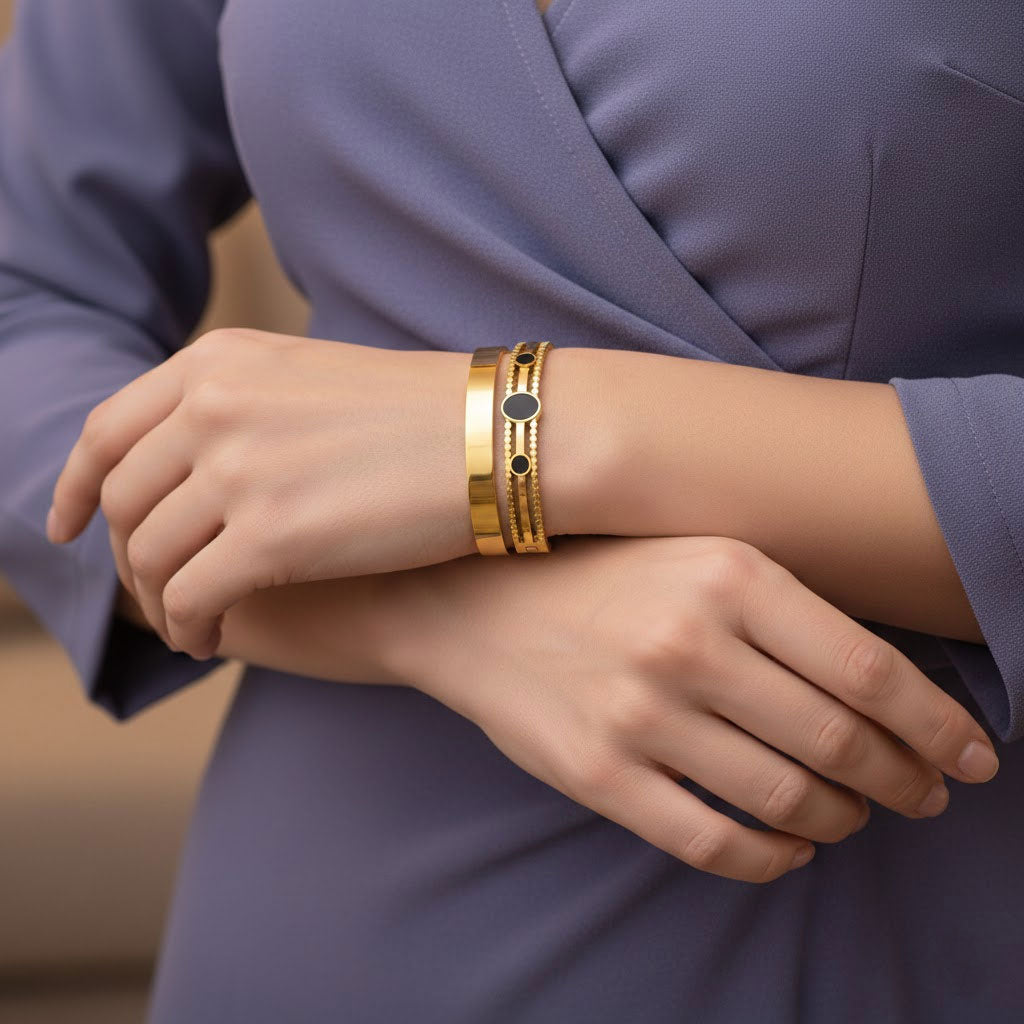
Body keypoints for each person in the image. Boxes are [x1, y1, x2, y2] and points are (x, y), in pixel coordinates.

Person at [1, 0, 1022, 1020]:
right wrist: (435, 613)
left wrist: (532, 429)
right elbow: (28, 298)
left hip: (887, 923)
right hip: (320, 917)